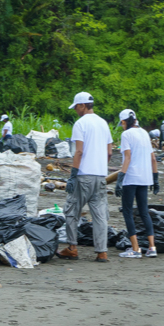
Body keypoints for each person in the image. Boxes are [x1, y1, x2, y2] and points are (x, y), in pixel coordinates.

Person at [58, 92, 113, 263]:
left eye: (76, 106)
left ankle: (72, 248)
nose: (75, 110)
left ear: (82, 105)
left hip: (84, 175)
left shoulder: (80, 124)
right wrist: (100, 165)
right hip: (100, 176)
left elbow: (79, 151)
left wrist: (73, 175)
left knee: (72, 210)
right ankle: (101, 252)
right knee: (99, 214)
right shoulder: (103, 123)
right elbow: (109, 151)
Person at [114, 109, 160, 259]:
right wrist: (155, 178)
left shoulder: (126, 134)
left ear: (124, 121)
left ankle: (135, 249)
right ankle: (152, 247)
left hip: (131, 177)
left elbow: (127, 158)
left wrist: (120, 179)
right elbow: (153, 158)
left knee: (127, 212)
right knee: (144, 211)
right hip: (145, 178)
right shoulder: (145, 133)